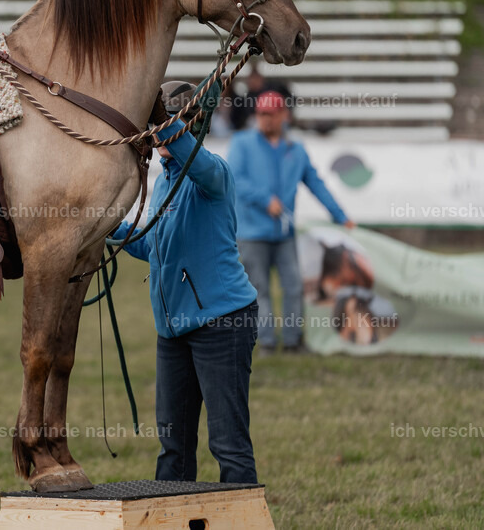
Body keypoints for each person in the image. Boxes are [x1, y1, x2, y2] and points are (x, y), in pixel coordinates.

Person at [113, 81, 259, 484]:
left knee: (228, 444)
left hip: (222, 323)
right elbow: (156, 246)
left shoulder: (212, 173)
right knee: (173, 447)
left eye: (162, 123)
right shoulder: (163, 182)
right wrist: (110, 229)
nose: (154, 132)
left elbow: (194, 160)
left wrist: (165, 122)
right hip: (173, 329)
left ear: (190, 125)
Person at [227, 90, 355, 355]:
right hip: (252, 233)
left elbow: (315, 184)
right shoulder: (242, 144)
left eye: (271, 114)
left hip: (284, 233)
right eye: (261, 114)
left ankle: (294, 341)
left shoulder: (295, 150)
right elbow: (235, 179)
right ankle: (267, 343)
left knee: (294, 286)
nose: (265, 119)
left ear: (284, 116)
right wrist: (265, 200)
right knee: (259, 289)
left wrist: (340, 216)